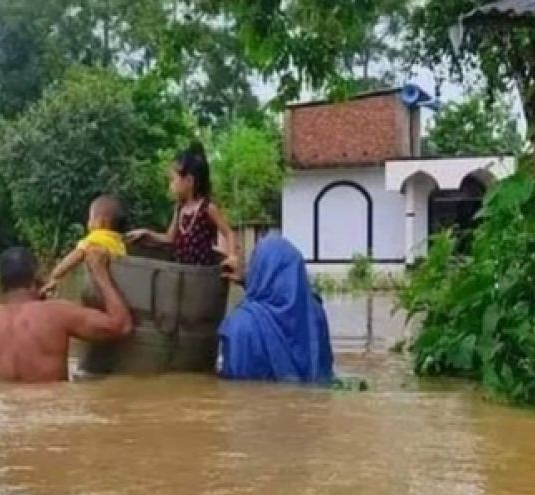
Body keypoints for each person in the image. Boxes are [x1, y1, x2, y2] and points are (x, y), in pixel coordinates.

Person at [0, 246, 132, 383]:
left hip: (5, 411)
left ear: (0, 284)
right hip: (49, 409)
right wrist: (100, 273)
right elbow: (121, 325)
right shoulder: (56, 312)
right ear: (38, 278)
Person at [218, 236, 334, 384]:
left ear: (258, 269)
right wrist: (248, 282)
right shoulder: (315, 315)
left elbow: (236, 385)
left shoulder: (239, 325)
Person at [126, 141, 240, 274]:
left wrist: (232, 257)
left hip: (201, 276)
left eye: (173, 180)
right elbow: (169, 238)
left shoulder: (208, 208)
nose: (170, 186)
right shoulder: (180, 209)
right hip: (180, 273)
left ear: (189, 181)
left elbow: (229, 233)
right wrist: (147, 234)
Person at [41, 195, 127, 297]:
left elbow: (76, 255)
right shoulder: (120, 243)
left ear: (101, 222)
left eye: (90, 218)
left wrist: (55, 274)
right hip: (117, 290)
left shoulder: (94, 239)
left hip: (96, 292)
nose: (88, 222)